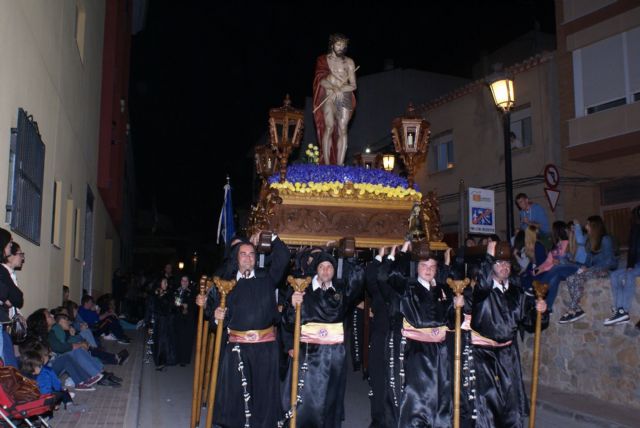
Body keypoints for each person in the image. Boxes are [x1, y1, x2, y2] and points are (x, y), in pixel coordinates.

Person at [196, 232, 290, 428]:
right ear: (236, 258)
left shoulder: (267, 279)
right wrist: (215, 316)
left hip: (265, 349)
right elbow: (214, 317)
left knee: (263, 395)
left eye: (251, 254)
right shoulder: (226, 286)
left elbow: (283, 257)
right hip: (237, 349)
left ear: (256, 258)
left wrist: (270, 237)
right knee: (237, 396)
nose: (248, 257)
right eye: (243, 254)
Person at [281, 250, 364, 427]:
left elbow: (357, 281)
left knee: (330, 399)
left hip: (334, 355)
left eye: (329, 267)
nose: (326, 271)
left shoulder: (340, 293)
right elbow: (288, 323)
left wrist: (349, 257)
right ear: (315, 270)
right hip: (309, 354)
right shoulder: (303, 290)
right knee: (307, 400)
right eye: (321, 267)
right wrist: (292, 305)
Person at [382, 242, 459, 427]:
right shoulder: (408, 287)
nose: (428, 270)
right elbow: (391, 276)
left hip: (439, 352)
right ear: (417, 268)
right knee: (416, 397)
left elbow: (450, 320)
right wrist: (403, 254)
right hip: (416, 351)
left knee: (440, 395)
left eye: (432, 266)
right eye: (424, 266)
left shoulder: (443, 290)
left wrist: (456, 306)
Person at [471, 241, 547, 427]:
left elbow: (529, 321)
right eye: (499, 263)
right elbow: (483, 283)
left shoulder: (517, 293)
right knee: (488, 400)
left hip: (508, 354)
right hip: (484, 354)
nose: (504, 267)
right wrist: (489, 256)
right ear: (491, 267)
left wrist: (540, 312)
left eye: (507, 263)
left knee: (510, 400)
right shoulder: (482, 292)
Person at [559, 216, 617, 324]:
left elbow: (609, 261)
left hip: (605, 270)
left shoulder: (605, 239)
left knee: (580, 277)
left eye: (587, 224)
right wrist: (584, 266)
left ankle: (572, 308)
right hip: (593, 270)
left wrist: (591, 269)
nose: (585, 227)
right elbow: (589, 260)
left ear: (594, 226)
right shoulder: (590, 241)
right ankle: (578, 309)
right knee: (571, 277)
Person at [313, 33, 357, 165]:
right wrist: (334, 87)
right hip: (329, 96)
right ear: (332, 45)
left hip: (344, 96)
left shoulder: (349, 62)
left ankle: (340, 164)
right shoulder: (322, 60)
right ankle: (326, 164)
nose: (341, 48)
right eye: (338, 44)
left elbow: (353, 85)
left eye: (343, 45)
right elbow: (320, 80)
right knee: (329, 126)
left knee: (343, 128)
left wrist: (341, 89)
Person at [604, 205, 640, 325]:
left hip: (636, 265)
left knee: (629, 276)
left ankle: (623, 310)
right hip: (637, 264)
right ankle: (618, 308)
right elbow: (633, 249)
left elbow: (634, 249)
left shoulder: (636, 228)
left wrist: (630, 265)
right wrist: (630, 264)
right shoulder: (636, 228)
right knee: (615, 275)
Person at [533, 221, 578, 313]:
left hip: (570, 268)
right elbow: (548, 261)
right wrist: (538, 269)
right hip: (559, 271)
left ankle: (539, 287)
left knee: (556, 268)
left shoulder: (567, 242)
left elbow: (563, 261)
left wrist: (544, 269)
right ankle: (548, 307)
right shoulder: (556, 245)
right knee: (554, 278)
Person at [0, 234, 24, 367]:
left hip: (6, 321)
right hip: (4, 320)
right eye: (20, 254)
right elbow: (17, 298)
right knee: (7, 361)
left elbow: (16, 299)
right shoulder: (3, 271)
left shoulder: (9, 274)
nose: (22, 257)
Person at [146, 278, 177, 370]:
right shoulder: (153, 295)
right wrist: (148, 324)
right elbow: (150, 310)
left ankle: (164, 361)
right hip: (157, 322)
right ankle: (159, 362)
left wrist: (174, 305)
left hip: (166, 322)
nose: (166, 284)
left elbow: (171, 308)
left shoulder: (169, 294)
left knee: (166, 342)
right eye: (164, 283)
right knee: (158, 342)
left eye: (166, 283)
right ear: (159, 283)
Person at [174, 275, 195, 366]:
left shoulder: (192, 292)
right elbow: (174, 304)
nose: (184, 282)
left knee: (186, 340)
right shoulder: (176, 291)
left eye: (186, 281)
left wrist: (188, 307)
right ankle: (176, 358)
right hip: (178, 318)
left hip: (188, 320)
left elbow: (194, 306)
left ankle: (184, 360)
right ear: (180, 281)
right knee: (177, 338)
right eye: (183, 280)